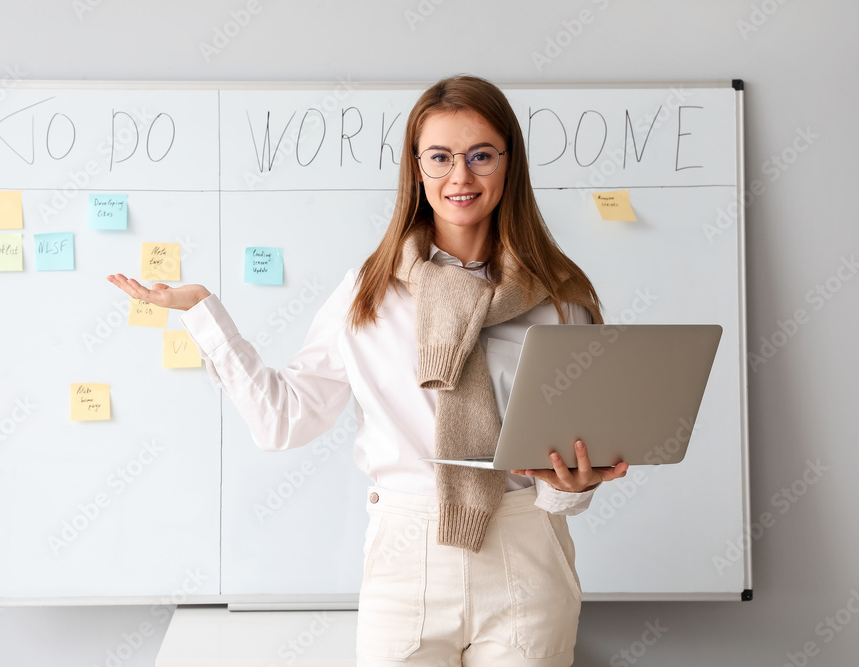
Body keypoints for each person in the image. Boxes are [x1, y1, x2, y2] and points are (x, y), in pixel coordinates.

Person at [107, 74, 629, 666]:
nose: (460, 176)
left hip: (526, 559)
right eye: (440, 157)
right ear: (417, 167)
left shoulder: (560, 299)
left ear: (509, 163)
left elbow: (569, 464)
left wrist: (571, 490)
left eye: (481, 155)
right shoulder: (369, 292)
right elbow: (284, 421)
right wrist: (205, 315)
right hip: (406, 558)